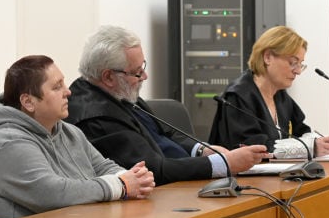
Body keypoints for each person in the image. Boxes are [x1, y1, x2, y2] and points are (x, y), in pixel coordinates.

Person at [66, 26, 269, 185]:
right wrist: (224, 164)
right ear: (108, 76)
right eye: (137, 72)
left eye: (142, 67)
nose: (144, 76)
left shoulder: (117, 92)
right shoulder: (95, 115)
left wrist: (203, 150)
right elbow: (153, 169)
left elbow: (166, 134)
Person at [0, 55, 155, 218]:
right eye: (57, 87)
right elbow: (53, 194)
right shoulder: (6, 142)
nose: (68, 92)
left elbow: (103, 167)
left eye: (64, 84)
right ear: (28, 102)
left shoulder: (68, 131)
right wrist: (121, 185)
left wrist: (135, 180)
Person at [209, 25, 329, 158]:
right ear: (267, 57)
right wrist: (310, 148)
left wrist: (321, 142)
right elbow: (253, 147)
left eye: (300, 64)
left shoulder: (280, 94)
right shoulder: (238, 97)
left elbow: (300, 130)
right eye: (293, 62)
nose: (298, 71)